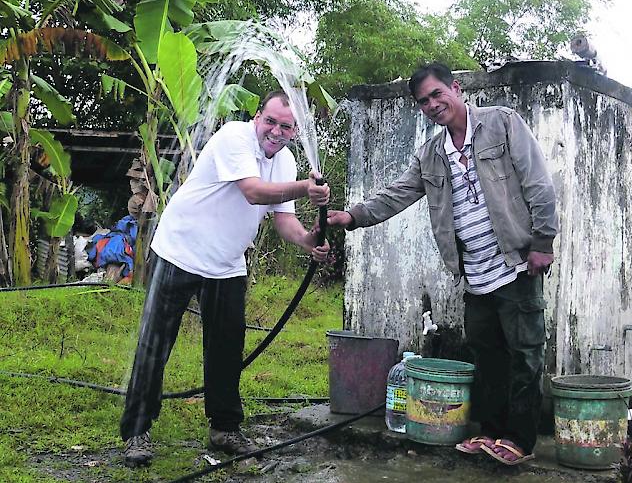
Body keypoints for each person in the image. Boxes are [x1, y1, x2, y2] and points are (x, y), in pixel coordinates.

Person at [327, 62, 558, 465]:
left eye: (437, 94)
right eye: (424, 102)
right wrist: (353, 216)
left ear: (455, 88)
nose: (433, 105)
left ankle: (520, 440)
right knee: (487, 356)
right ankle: (490, 432)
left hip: (516, 263)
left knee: (525, 353)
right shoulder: (431, 155)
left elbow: (538, 181)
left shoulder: (502, 124)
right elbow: (396, 194)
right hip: (475, 274)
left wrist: (543, 240)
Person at [120, 90, 330, 467]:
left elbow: (283, 218)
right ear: (257, 117)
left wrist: (308, 240)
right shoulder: (234, 136)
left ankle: (225, 428)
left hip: (227, 263)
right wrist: (305, 187)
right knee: (156, 344)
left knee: (227, 347)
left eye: (286, 126)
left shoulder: (285, 162)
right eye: (271, 121)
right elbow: (252, 193)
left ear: (295, 130)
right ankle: (137, 432)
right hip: (179, 251)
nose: (276, 131)